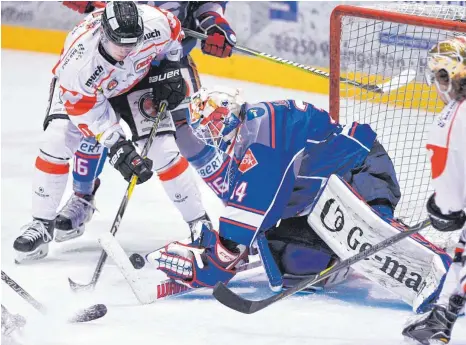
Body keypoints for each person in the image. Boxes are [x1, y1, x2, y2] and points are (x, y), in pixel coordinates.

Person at [144, 86, 452, 313]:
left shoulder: (263, 129)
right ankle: (340, 255)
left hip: (359, 171)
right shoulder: (249, 133)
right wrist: (225, 249)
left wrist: (219, 257)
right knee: (292, 265)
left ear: (226, 116)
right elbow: (245, 199)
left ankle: (453, 278)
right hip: (325, 200)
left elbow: (253, 204)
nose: (210, 133)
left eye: (212, 124)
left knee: (379, 234)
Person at [13, 1, 206, 263]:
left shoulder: (155, 22)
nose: (128, 51)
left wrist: (171, 69)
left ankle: (200, 224)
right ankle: (41, 223)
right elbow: (84, 110)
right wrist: (117, 146)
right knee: (56, 140)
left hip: (137, 81)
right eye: (121, 44)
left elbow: (174, 35)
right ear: (103, 34)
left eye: (133, 43)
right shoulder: (78, 63)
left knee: (164, 151)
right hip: (85, 97)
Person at [53, 1, 236, 242]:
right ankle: (82, 197)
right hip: (112, 61)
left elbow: (205, 4)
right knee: (93, 129)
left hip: (166, 58)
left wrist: (213, 21)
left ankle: (237, 206)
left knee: (188, 137)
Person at [402, 36, 466, 344]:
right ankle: (441, 318)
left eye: (440, 76)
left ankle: (441, 319)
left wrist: (441, 211)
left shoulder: (450, 122)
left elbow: (450, 207)